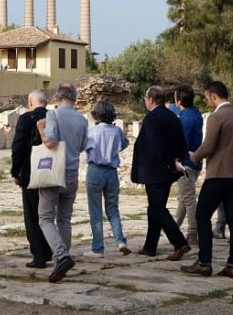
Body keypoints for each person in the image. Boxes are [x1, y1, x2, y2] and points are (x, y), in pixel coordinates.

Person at [181, 81, 233, 279]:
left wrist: (192, 157)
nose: (206, 101)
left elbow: (208, 146)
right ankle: (232, 264)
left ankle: (204, 262)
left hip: (219, 174)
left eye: (206, 97)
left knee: (202, 215)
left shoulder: (216, 117)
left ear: (213, 95)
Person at [131, 86, 191, 262]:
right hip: (168, 171)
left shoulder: (152, 118)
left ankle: (179, 242)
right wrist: (176, 163)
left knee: (158, 208)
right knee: (154, 208)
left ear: (150, 99)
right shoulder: (173, 116)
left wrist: (170, 162)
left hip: (155, 170)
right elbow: (181, 142)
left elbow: (156, 145)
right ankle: (150, 246)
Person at [36, 82, 88, 283]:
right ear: (74, 98)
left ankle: (61, 255)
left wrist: (41, 130)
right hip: (73, 171)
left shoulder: (53, 114)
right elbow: (83, 145)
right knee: (64, 219)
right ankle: (62, 260)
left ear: (57, 97)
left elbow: (50, 142)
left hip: (55, 171)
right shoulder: (82, 119)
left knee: (45, 217)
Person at [10, 90, 53, 268]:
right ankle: (53, 249)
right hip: (52, 172)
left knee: (33, 216)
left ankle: (39, 254)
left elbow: (18, 146)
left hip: (31, 173)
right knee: (50, 215)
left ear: (30, 102)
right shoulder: (54, 117)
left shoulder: (26, 119)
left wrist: (15, 171)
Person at [83, 100, 131, 258]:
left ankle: (98, 248)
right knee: (113, 209)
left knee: (95, 211)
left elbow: (84, 146)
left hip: (95, 170)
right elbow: (124, 144)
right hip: (111, 171)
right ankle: (120, 241)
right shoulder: (117, 131)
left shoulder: (92, 131)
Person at [171, 85, 204, 246]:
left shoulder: (185, 118)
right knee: (184, 198)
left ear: (178, 99)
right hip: (196, 162)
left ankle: (193, 233)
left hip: (186, 163)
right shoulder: (196, 114)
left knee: (189, 199)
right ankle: (174, 228)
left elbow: (181, 141)